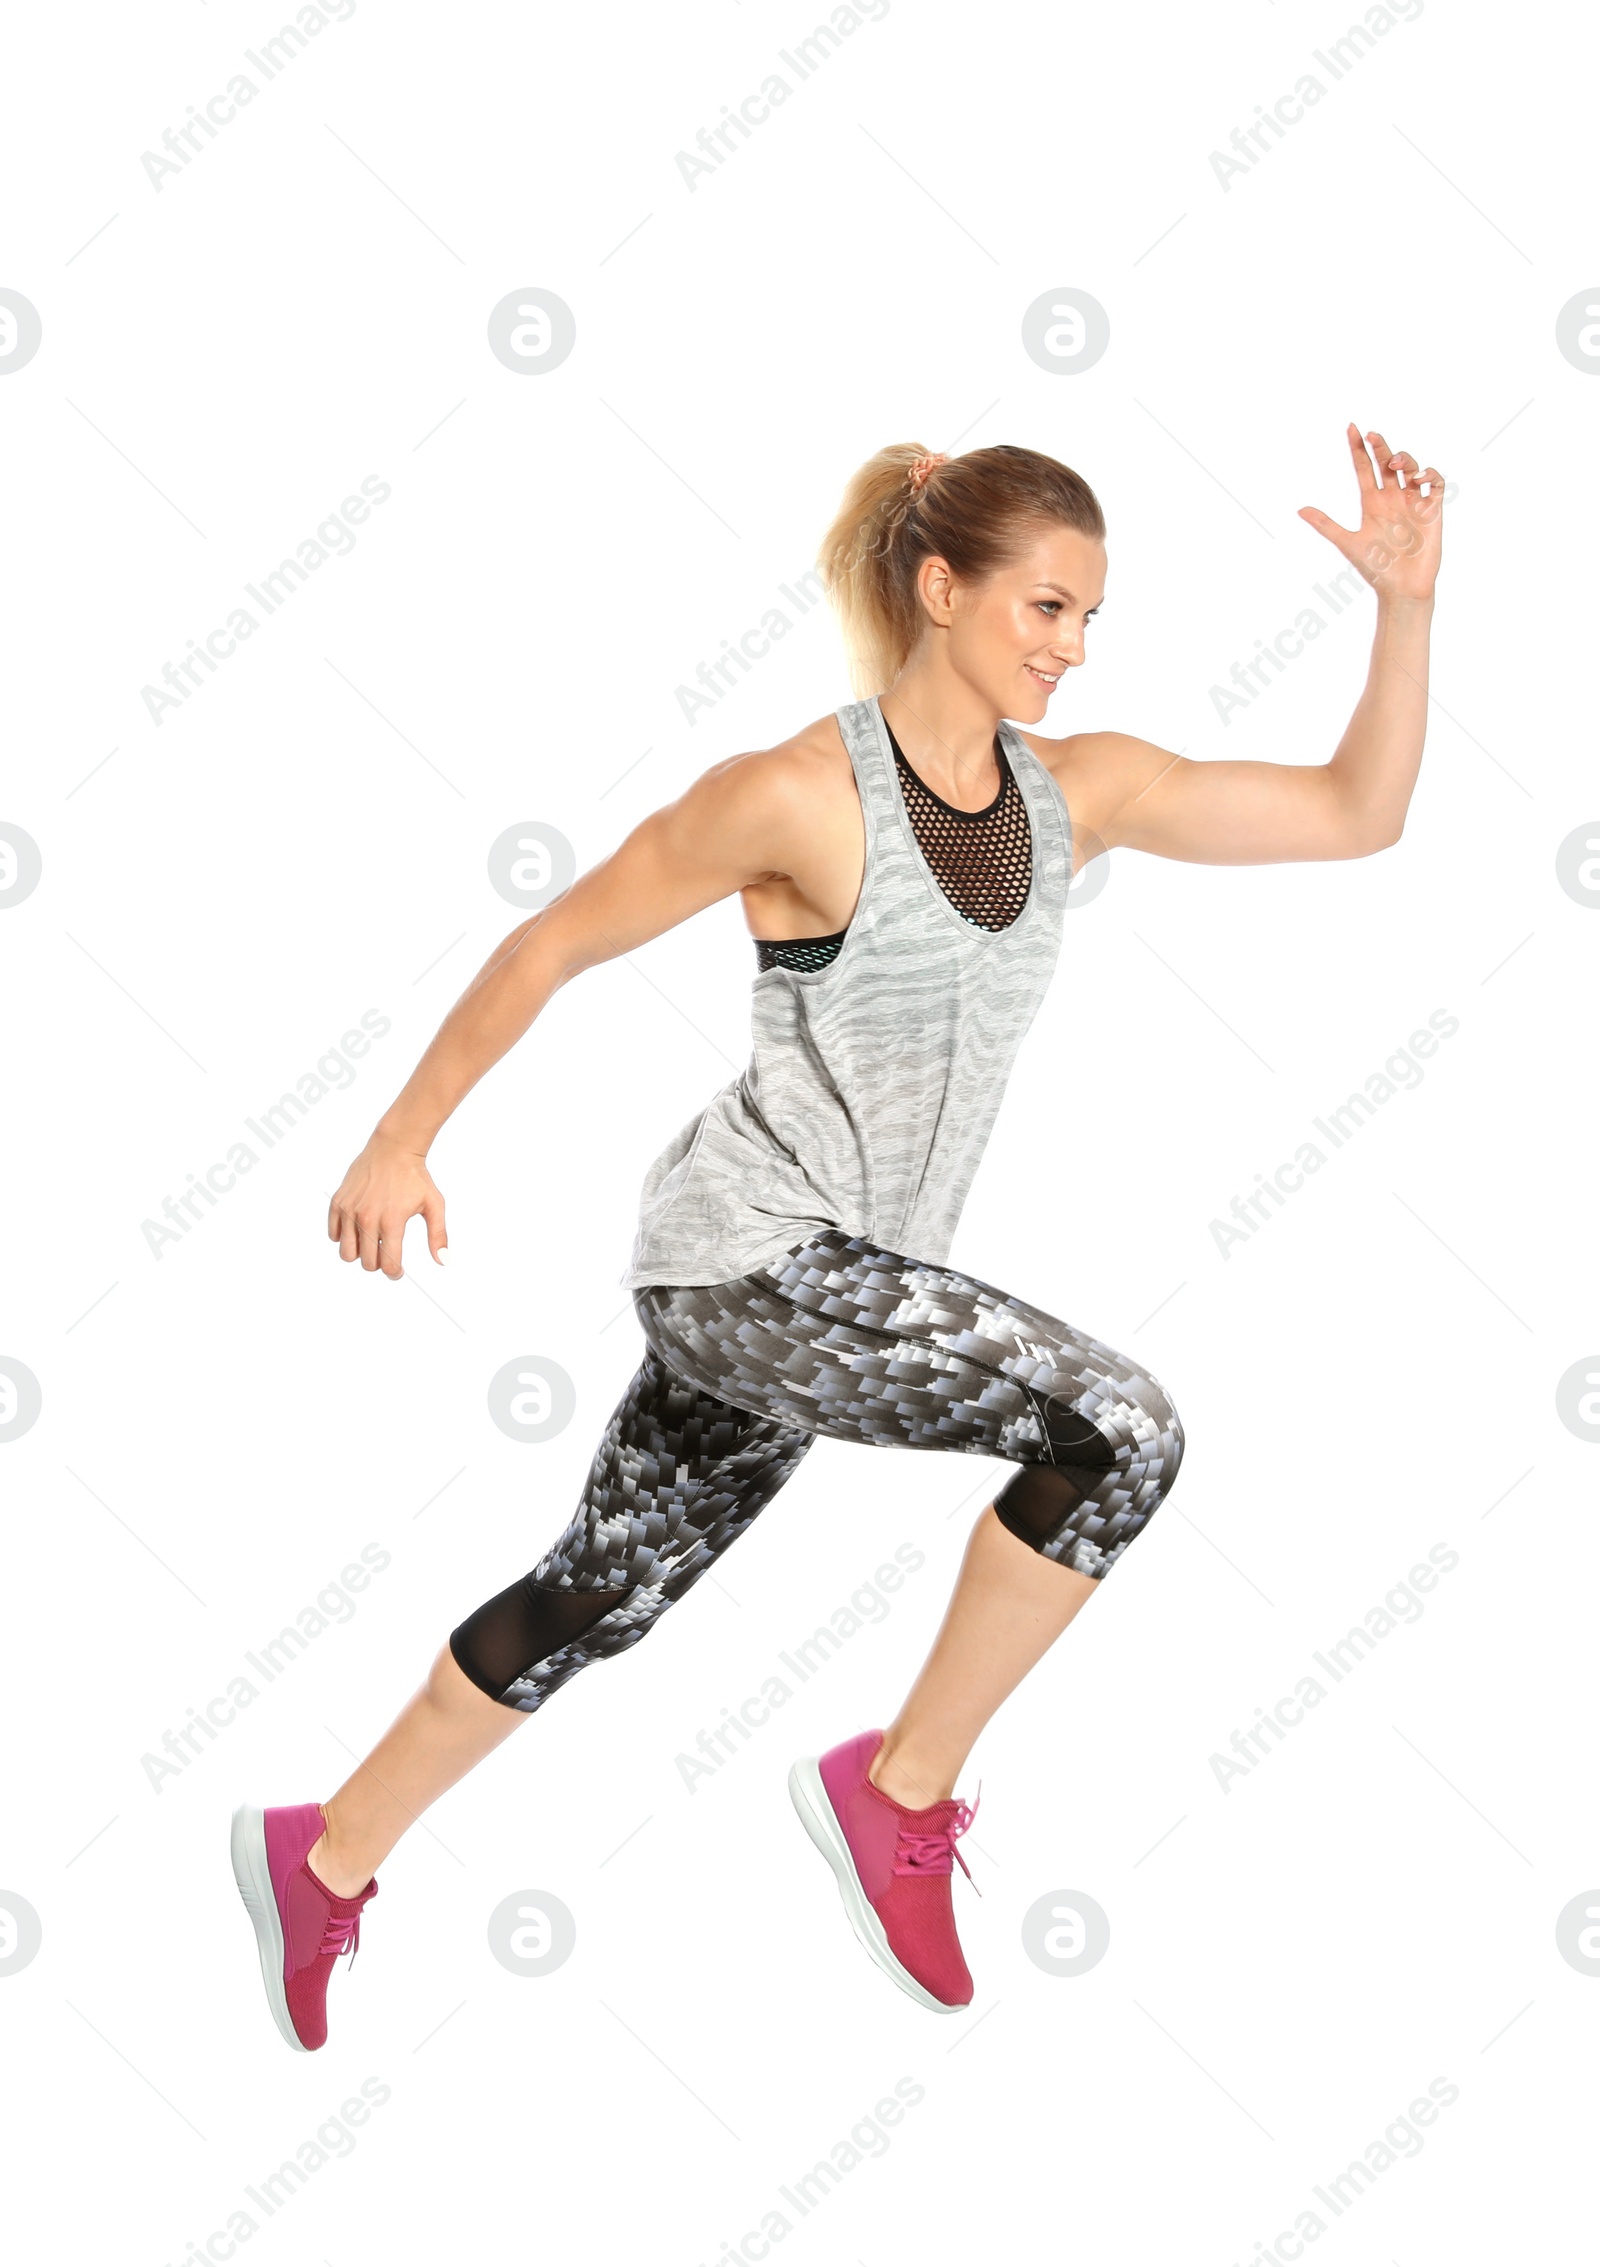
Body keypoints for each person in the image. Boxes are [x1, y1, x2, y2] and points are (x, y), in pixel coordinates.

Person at [230, 430, 1443, 2049]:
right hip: (747, 1261)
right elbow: (557, 937)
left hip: (835, 1293)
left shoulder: (1078, 792)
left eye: (1089, 619)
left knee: (598, 1594)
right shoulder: (796, 796)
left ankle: (325, 1854)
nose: (1070, 647)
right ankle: (901, 1793)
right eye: (1045, 607)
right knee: (1123, 1430)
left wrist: (1406, 613)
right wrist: (399, 1136)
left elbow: (1358, 814)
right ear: (941, 590)